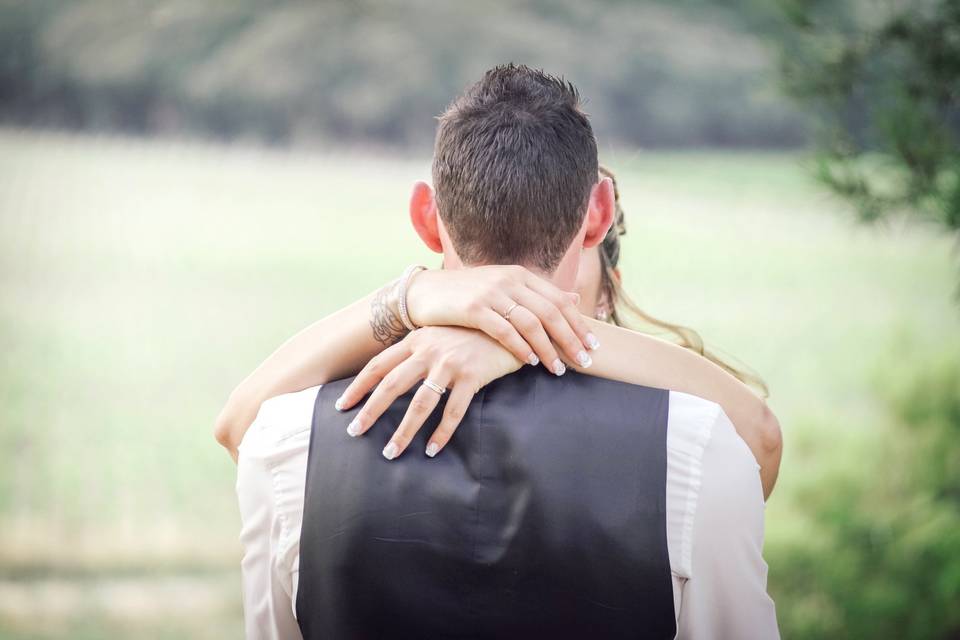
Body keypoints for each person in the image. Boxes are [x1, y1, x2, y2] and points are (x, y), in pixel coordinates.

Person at [231, 64, 781, 638]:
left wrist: (411, 298)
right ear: (598, 214)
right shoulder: (697, 448)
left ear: (426, 217)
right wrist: (540, 333)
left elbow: (237, 431)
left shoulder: (290, 445)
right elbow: (761, 440)